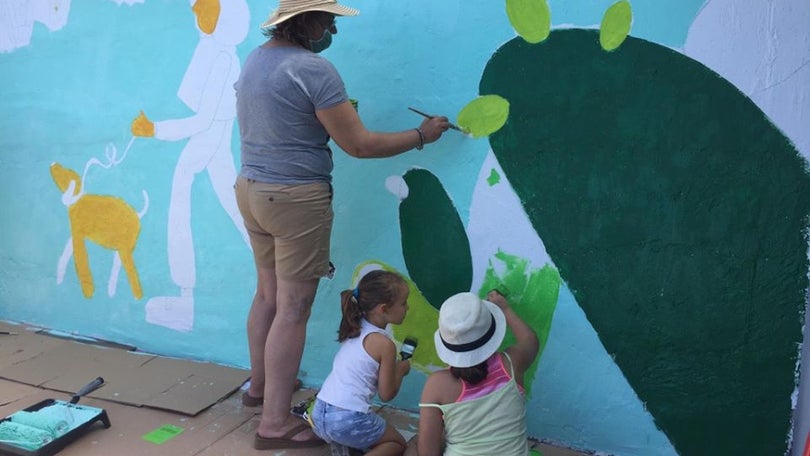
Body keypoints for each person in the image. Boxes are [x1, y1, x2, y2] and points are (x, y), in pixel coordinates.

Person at [233, 0, 450, 450]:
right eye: (327, 18)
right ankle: (273, 424)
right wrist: (421, 137)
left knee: (267, 296)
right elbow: (360, 145)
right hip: (295, 199)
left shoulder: (257, 59)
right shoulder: (314, 69)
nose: (332, 26)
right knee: (292, 309)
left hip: (253, 188)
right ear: (304, 21)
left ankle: (259, 390)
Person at [405, 290, 540, 456]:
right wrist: (505, 309)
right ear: (492, 332)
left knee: (413, 446)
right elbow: (530, 340)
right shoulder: (512, 363)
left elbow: (428, 452)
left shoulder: (437, 385)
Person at [310, 270, 412, 455]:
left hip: (319, 412)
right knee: (396, 444)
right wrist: (401, 370)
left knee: (354, 436)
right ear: (383, 309)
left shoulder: (354, 326)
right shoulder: (384, 344)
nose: (408, 308)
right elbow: (387, 394)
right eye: (403, 303)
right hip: (347, 418)